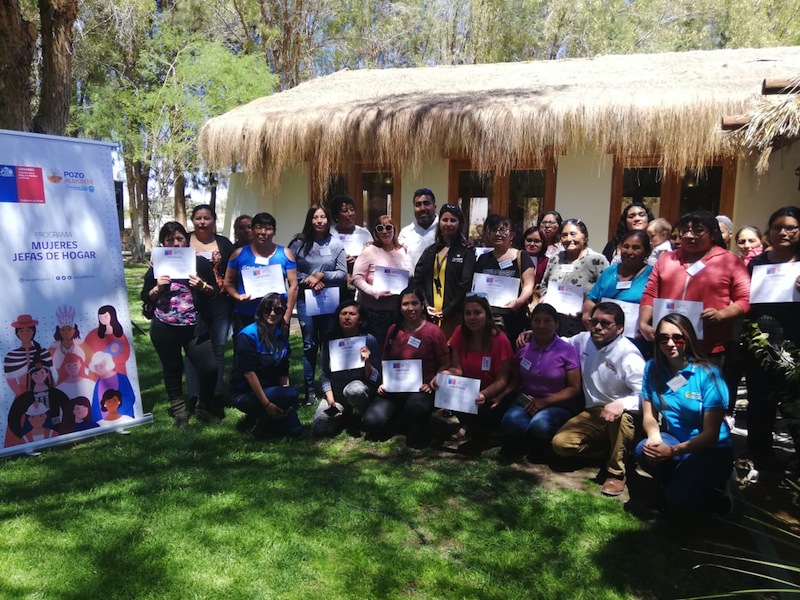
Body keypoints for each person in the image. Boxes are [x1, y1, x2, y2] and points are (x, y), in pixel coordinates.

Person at [636, 314, 733, 513]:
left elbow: (711, 435)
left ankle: (716, 491)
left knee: (677, 502)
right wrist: (654, 438)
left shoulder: (709, 374)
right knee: (643, 450)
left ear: (688, 339)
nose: (670, 343)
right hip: (675, 440)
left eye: (677, 338)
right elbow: (649, 416)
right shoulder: (652, 368)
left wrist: (672, 451)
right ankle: (677, 482)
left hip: (710, 449)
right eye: (663, 338)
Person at [551, 302, 645, 497]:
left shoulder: (629, 354)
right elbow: (561, 343)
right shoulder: (583, 339)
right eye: (594, 322)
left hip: (622, 416)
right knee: (560, 444)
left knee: (623, 418)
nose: (598, 327)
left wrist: (621, 403)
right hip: (592, 412)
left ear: (620, 328)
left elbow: (646, 395)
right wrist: (534, 336)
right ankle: (611, 452)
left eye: (605, 323)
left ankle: (616, 473)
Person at [638, 211, 750, 365]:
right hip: (668, 344)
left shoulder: (731, 262)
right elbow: (650, 292)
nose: (689, 236)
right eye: (684, 230)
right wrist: (643, 323)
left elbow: (744, 300)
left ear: (713, 233)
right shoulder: (666, 259)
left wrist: (721, 315)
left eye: (698, 230)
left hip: (708, 347)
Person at [141, 221, 218, 427]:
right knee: (172, 368)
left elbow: (214, 292)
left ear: (186, 239)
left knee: (209, 367)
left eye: (179, 238)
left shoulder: (199, 263)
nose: (175, 243)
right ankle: (180, 412)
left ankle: (203, 406)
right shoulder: (157, 265)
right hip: (164, 325)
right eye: (170, 240)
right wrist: (157, 288)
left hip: (195, 325)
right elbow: (145, 295)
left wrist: (202, 286)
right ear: (163, 243)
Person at [744, 206, 800, 467]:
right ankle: (759, 452)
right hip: (762, 341)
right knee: (760, 400)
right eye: (777, 227)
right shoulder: (757, 263)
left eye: (791, 227)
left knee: (794, 402)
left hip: (796, 341)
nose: (783, 232)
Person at [363, 287, 450, 448]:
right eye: (405, 304)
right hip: (394, 389)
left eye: (415, 303)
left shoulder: (433, 331)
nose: (410, 308)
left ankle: (419, 423)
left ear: (422, 306)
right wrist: (383, 382)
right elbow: (385, 358)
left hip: (422, 390)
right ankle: (400, 418)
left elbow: (446, 363)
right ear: (400, 307)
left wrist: (433, 382)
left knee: (416, 415)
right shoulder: (393, 329)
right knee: (371, 422)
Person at [288, 204, 347, 404]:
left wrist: (322, 275)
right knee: (309, 344)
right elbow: (290, 271)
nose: (319, 221)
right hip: (307, 301)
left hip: (329, 302)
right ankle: (310, 391)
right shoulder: (298, 243)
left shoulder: (336, 244)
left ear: (328, 220)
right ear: (310, 220)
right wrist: (309, 279)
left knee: (329, 344)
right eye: (315, 217)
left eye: (323, 217)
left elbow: (342, 274)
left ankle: (330, 386)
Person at [501, 303, 581, 450]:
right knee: (510, 422)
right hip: (526, 401)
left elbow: (574, 388)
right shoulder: (524, 346)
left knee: (540, 425)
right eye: (537, 321)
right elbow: (517, 379)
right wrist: (502, 395)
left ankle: (545, 445)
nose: (541, 325)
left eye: (547, 321)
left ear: (556, 324)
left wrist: (545, 401)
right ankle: (532, 442)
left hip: (557, 404)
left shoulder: (567, 350)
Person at [442, 293, 514, 442]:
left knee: (487, 413)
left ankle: (473, 427)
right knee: (447, 392)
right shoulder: (459, 333)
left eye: (477, 313)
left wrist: (484, 395)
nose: (472, 317)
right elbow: (457, 369)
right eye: (467, 313)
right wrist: (445, 376)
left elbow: (502, 380)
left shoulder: (501, 340)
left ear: (487, 315)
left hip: (493, 394)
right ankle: (470, 426)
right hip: (468, 392)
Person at [230, 293, 302, 440]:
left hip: (273, 392)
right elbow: (249, 373)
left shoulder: (280, 337)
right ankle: (261, 422)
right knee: (292, 393)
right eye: (267, 309)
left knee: (295, 431)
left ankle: (263, 421)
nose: (272, 313)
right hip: (246, 393)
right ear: (260, 310)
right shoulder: (247, 335)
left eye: (278, 310)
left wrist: (284, 400)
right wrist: (267, 404)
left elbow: (283, 371)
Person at [186, 204, 236, 411]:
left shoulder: (224, 244)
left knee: (218, 347)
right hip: (189, 302)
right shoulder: (184, 241)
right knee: (191, 348)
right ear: (193, 220)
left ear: (214, 221)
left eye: (207, 218)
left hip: (219, 302)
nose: (202, 222)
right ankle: (193, 394)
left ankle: (215, 394)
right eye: (198, 218)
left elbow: (234, 269)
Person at [312, 300, 381, 437]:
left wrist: (367, 361)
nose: (347, 317)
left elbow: (375, 377)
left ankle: (363, 414)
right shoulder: (329, 341)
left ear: (360, 319)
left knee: (353, 390)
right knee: (320, 427)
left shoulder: (369, 340)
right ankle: (345, 413)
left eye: (352, 314)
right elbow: (325, 374)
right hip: (336, 395)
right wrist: (330, 400)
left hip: (359, 390)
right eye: (343, 314)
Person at [225, 212, 298, 336]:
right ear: (252, 230)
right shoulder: (238, 254)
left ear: (274, 231)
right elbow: (228, 282)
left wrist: (287, 315)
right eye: (259, 227)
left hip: (275, 315)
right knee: (246, 352)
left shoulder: (285, 254)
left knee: (277, 353)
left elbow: (294, 286)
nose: (263, 232)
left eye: (268, 228)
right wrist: (238, 296)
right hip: (246, 314)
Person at [583, 230, 653, 357]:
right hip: (604, 340)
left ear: (647, 252)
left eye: (636, 248)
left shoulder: (652, 275)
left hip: (634, 343)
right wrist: (587, 315)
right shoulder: (610, 272)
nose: (629, 252)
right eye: (626, 246)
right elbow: (592, 298)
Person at [413, 204, 476, 340]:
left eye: (453, 220)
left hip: (454, 317)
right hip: (429, 315)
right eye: (445, 220)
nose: (448, 224)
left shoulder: (467, 251)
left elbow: (465, 285)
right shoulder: (430, 251)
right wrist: (425, 305)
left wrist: (447, 311)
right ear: (439, 222)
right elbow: (418, 280)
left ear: (459, 224)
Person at [540, 218, 609, 337]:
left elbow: (606, 292)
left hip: (583, 325)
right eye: (564, 235)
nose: (568, 239)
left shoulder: (596, 260)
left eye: (573, 234)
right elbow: (543, 285)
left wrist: (587, 310)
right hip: (554, 324)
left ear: (585, 237)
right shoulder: (555, 258)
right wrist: (546, 297)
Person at [474, 214, 535, 344]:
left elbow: (529, 285)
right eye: (493, 230)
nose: (498, 234)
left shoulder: (521, 256)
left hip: (512, 319)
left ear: (511, 235)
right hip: (486, 319)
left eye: (503, 230)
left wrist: (518, 302)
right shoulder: (483, 259)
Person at [352, 215, 412, 346]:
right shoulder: (369, 251)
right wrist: (374, 292)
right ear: (376, 232)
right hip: (373, 311)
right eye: (380, 228)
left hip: (398, 311)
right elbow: (356, 278)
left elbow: (410, 275)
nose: (384, 231)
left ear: (394, 230)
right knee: (375, 349)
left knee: (396, 348)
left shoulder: (403, 250)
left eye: (388, 227)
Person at [4, 314, 52, 397]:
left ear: (33, 332)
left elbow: (49, 376)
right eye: (21, 331)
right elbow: (11, 380)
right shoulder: (11, 356)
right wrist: (22, 395)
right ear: (17, 333)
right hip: (22, 396)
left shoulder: (44, 353)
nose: (25, 334)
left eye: (28, 330)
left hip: (45, 393)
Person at [84, 305, 131, 377]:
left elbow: (125, 354)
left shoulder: (119, 334)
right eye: (100, 317)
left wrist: (108, 362)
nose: (103, 319)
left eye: (105, 316)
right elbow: (85, 351)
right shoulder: (93, 334)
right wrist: (92, 363)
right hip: (98, 374)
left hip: (118, 372)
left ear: (112, 316)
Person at [397, 188, 438, 270]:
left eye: (426, 203)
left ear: (435, 207)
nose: (422, 208)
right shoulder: (405, 233)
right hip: (412, 281)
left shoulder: (445, 230)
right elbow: (396, 258)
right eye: (418, 204)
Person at [48, 305, 86, 384]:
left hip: (83, 384)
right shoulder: (52, 350)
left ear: (74, 330)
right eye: (63, 330)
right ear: (59, 331)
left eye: (69, 329)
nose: (66, 332)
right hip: (61, 385)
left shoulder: (83, 346)